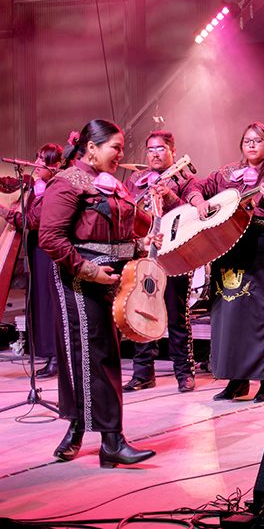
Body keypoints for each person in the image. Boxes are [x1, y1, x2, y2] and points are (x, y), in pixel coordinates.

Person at [38, 119, 156, 468]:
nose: (121, 154)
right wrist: (89, 270)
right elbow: (50, 237)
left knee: (100, 355)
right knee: (94, 354)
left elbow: (117, 229)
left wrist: (139, 244)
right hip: (82, 278)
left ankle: (81, 429)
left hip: (113, 278)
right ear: (92, 147)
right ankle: (111, 441)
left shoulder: (111, 184)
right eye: (115, 147)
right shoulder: (67, 182)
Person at [191, 122, 264, 403]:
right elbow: (198, 185)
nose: (251, 145)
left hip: (261, 248)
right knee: (228, 314)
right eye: (247, 140)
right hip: (227, 246)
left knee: (258, 315)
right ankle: (236, 380)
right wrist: (198, 200)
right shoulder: (227, 173)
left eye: (258, 141)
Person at [123, 131, 203, 393]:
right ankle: (143, 373)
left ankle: (184, 373)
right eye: (150, 149)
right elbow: (125, 209)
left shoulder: (184, 177)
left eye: (160, 149)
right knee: (141, 310)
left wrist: (169, 197)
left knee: (177, 315)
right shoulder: (136, 179)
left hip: (175, 254)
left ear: (172, 150)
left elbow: (192, 212)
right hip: (144, 252)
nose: (155, 154)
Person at [0, 143, 64, 378]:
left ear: (55, 166)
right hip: (38, 249)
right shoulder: (37, 185)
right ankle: (49, 356)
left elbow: (32, 220)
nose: (37, 164)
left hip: (49, 253)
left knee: (49, 304)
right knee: (40, 302)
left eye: (43, 161)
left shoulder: (53, 188)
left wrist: (3, 211)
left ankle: (56, 358)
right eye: (37, 157)